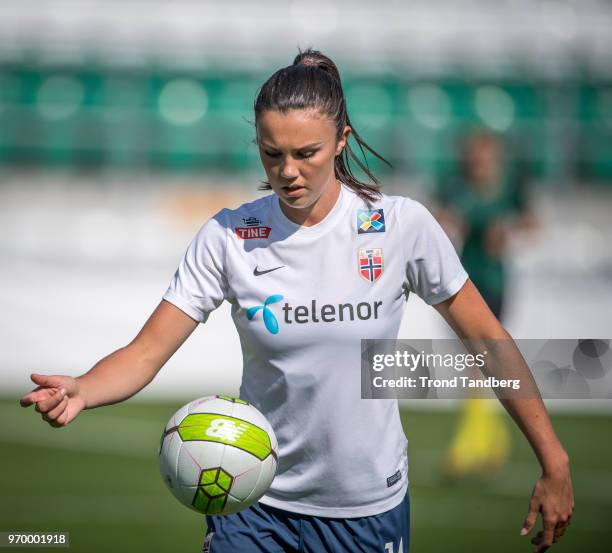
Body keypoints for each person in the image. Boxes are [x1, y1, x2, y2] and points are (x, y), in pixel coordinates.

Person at [20, 50, 573, 553]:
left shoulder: (399, 226)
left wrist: (554, 460)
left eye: (306, 153)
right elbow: (146, 352)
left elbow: (487, 341)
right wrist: (84, 387)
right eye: (272, 154)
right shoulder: (229, 235)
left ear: (341, 140)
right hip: (252, 500)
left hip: (365, 509)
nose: (287, 171)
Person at [435, 131, 538, 481]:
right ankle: (493, 439)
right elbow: (437, 215)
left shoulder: (509, 187)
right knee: (477, 365)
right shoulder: (456, 185)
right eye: (474, 156)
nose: (479, 163)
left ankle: (470, 445)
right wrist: (449, 221)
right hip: (463, 282)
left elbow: (532, 222)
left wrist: (507, 229)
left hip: (493, 284)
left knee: (479, 363)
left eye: (485, 156)